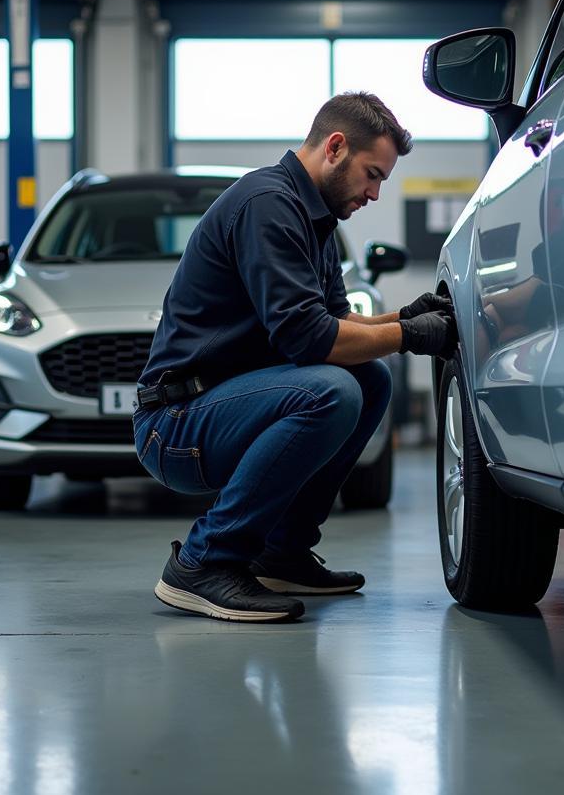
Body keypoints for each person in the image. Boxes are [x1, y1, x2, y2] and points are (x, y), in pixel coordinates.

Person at [133, 92, 456, 623]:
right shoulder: (268, 205)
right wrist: (408, 336)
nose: (375, 193)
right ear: (335, 147)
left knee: (370, 380)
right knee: (332, 389)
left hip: (220, 408)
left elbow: (335, 323)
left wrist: (404, 316)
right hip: (175, 424)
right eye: (372, 174)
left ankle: (280, 552)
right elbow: (311, 341)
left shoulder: (315, 218)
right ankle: (202, 563)